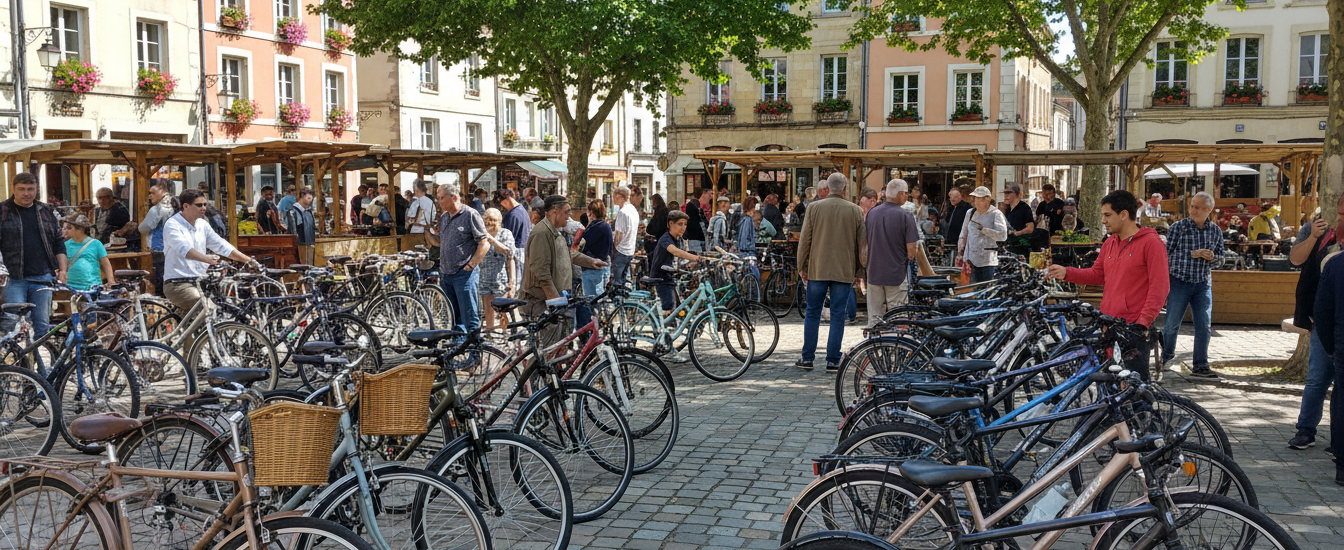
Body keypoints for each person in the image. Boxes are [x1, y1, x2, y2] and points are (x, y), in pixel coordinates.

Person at [1046, 190, 1170, 381]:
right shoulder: (1110, 242)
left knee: (1133, 391)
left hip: (1133, 328)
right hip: (1109, 324)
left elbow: (1160, 288)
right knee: (1109, 386)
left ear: (1124, 215)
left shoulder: (1151, 243)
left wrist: (1142, 323)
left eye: (1107, 215)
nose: (1103, 220)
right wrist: (1067, 272)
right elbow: (1097, 275)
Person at [1287, 198, 1344, 451]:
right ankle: (1305, 430)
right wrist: (1312, 236)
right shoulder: (1315, 227)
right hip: (1322, 317)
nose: (1339, 217)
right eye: (1338, 213)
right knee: (1318, 378)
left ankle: (1337, 440)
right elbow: (1295, 259)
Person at [796, 172, 865, 372]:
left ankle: (807, 358)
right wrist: (859, 270)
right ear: (845, 188)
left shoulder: (814, 208)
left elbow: (805, 240)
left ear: (829, 187)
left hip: (817, 268)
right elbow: (861, 244)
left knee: (812, 312)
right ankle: (833, 359)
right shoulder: (855, 210)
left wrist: (801, 265)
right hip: (843, 269)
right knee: (837, 315)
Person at [162, 189, 257, 318]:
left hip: (203, 282)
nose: (204, 208)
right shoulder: (172, 224)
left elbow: (221, 245)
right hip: (178, 283)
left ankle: (192, 334)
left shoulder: (202, 224)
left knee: (228, 305)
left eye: (205, 204)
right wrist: (207, 259)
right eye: (199, 205)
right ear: (185, 206)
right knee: (209, 309)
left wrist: (249, 261)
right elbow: (185, 250)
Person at [1160, 192, 1224, 380]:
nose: (1193, 210)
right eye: (1192, 206)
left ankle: (1201, 365)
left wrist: (1213, 258)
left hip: (1202, 283)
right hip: (1179, 281)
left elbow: (1221, 259)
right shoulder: (1177, 228)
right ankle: (1167, 359)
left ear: (1208, 210)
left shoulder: (1215, 231)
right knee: (1172, 324)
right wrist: (1191, 254)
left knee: (1204, 325)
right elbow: (1165, 257)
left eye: (1197, 207)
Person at [0, 173, 67, 336]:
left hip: (43, 276)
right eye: (21, 189)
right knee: (15, 327)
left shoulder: (46, 211)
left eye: (30, 189)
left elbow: (58, 242)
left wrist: (63, 269)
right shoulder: (2, 211)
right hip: (13, 277)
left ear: (37, 189)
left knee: (42, 326)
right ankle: (15, 360)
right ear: (13, 189)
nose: (26, 193)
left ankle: (38, 360)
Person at [521, 195, 606, 319]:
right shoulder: (543, 233)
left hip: (560, 284)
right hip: (542, 297)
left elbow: (569, 251)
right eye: (567, 211)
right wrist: (554, 298)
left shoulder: (558, 229)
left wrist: (587, 259)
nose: (570, 215)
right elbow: (541, 269)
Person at [426, 183, 489, 335]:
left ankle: (475, 353)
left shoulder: (470, 214)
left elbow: (484, 242)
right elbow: (441, 242)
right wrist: (426, 231)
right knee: (454, 318)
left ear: (453, 197)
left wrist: (472, 264)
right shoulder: (445, 217)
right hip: (447, 274)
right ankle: (457, 351)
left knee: (470, 317)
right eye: (438, 198)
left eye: (442, 198)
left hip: (463, 274)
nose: (439, 201)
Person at [864, 180, 920, 328]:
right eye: (906, 193)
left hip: (873, 273)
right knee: (898, 319)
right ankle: (897, 349)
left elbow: (865, 243)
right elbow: (911, 252)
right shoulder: (906, 216)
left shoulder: (871, 213)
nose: (907, 196)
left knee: (874, 320)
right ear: (900, 194)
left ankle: (872, 348)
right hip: (896, 274)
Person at [1311, 243, 1344, 484]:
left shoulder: (1335, 264)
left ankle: (1342, 461)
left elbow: (1322, 311)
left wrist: (1332, 346)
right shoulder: (1335, 264)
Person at [648, 210, 703, 314]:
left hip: (668, 275)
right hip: (661, 277)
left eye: (685, 224)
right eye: (680, 224)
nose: (683, 227)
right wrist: (696, 258)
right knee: (668, 307)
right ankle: (658, 326)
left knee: (675, 307)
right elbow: (675, 251)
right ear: (670, 224)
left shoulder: (677, 239)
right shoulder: (666, 239)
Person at [956, 186, 1009, 283]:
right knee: (972, 291)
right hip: (971, 260)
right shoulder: (970, 213)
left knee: (986, 291)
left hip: (988, 261)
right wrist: (960, 253)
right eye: (976, 198)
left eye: (981, 199)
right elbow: (963, 235)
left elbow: (1002, 236)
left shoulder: (996, 214)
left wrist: (984, 230)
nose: (977, 201)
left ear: (988, 199)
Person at [478, 208, 517, 333]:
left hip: (501, 278)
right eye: (486, 219)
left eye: (491, 219)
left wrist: (512, 281)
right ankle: (490, 331)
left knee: (502, 308)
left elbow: (509, 254)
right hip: (484, 276)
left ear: (499, 221)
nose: (488, 222)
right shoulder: (481, 234)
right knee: (487, 306)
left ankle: (505, 333)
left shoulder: (505, 233)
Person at [577, 200, 613, 328]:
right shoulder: (605, 226)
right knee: (599, 299)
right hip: (603, 266)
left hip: (593, 268)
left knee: (591, 302)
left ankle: (594, 329)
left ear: (591, 213)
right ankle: (602, 326)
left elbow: (582, 245)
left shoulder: (595, 227)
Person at [61, 214, 114, 291]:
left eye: (69, 228)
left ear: (80, 229)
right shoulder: (65, 245)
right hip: (70, 288)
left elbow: (105, 263)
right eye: (64, 228)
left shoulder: (96, 244)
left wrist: (111, 281)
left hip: (92, 287)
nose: (64, 230)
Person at [498, 188, 530, 284]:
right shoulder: (521, 210)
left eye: (502, 203)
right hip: (523, 251)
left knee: (516, 284)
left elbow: (509, 238)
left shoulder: (513, 214)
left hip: (516, 253)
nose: (503, 206)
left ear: (507, 199)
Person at [610, 185, 639, 288]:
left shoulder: (622, 212)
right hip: (630, 250)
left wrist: (613, 249)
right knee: (624, 282)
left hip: (621, 250)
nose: (613, 198)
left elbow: (619, 235)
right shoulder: (633, 210)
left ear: (618, 196)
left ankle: (619, 302)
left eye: (614, 196)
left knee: (616, 283)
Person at [284, 188, 317, 265]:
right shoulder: (292, 212)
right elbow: (293, 233)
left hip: (310, 245)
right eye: (308, 198)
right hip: (299, 248)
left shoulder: (309, 212)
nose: (310, 200)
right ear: (302, 196)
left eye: (311, 198)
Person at [1002, 183, 1036, 254]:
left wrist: (1017, 233)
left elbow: (1030, 228)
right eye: (1005, 193)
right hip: (1009, 244)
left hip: (1021, 245)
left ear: (1017, 194)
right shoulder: (1007, 209)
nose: (1006, 195)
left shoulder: (1024, 208)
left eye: (1009, 193)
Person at [736, 197, 760, 278]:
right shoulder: (748, 220)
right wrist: (751, 248)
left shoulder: (743, 219)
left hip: (743, 252)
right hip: (747, 253)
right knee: (756, 276)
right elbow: (745, 238)